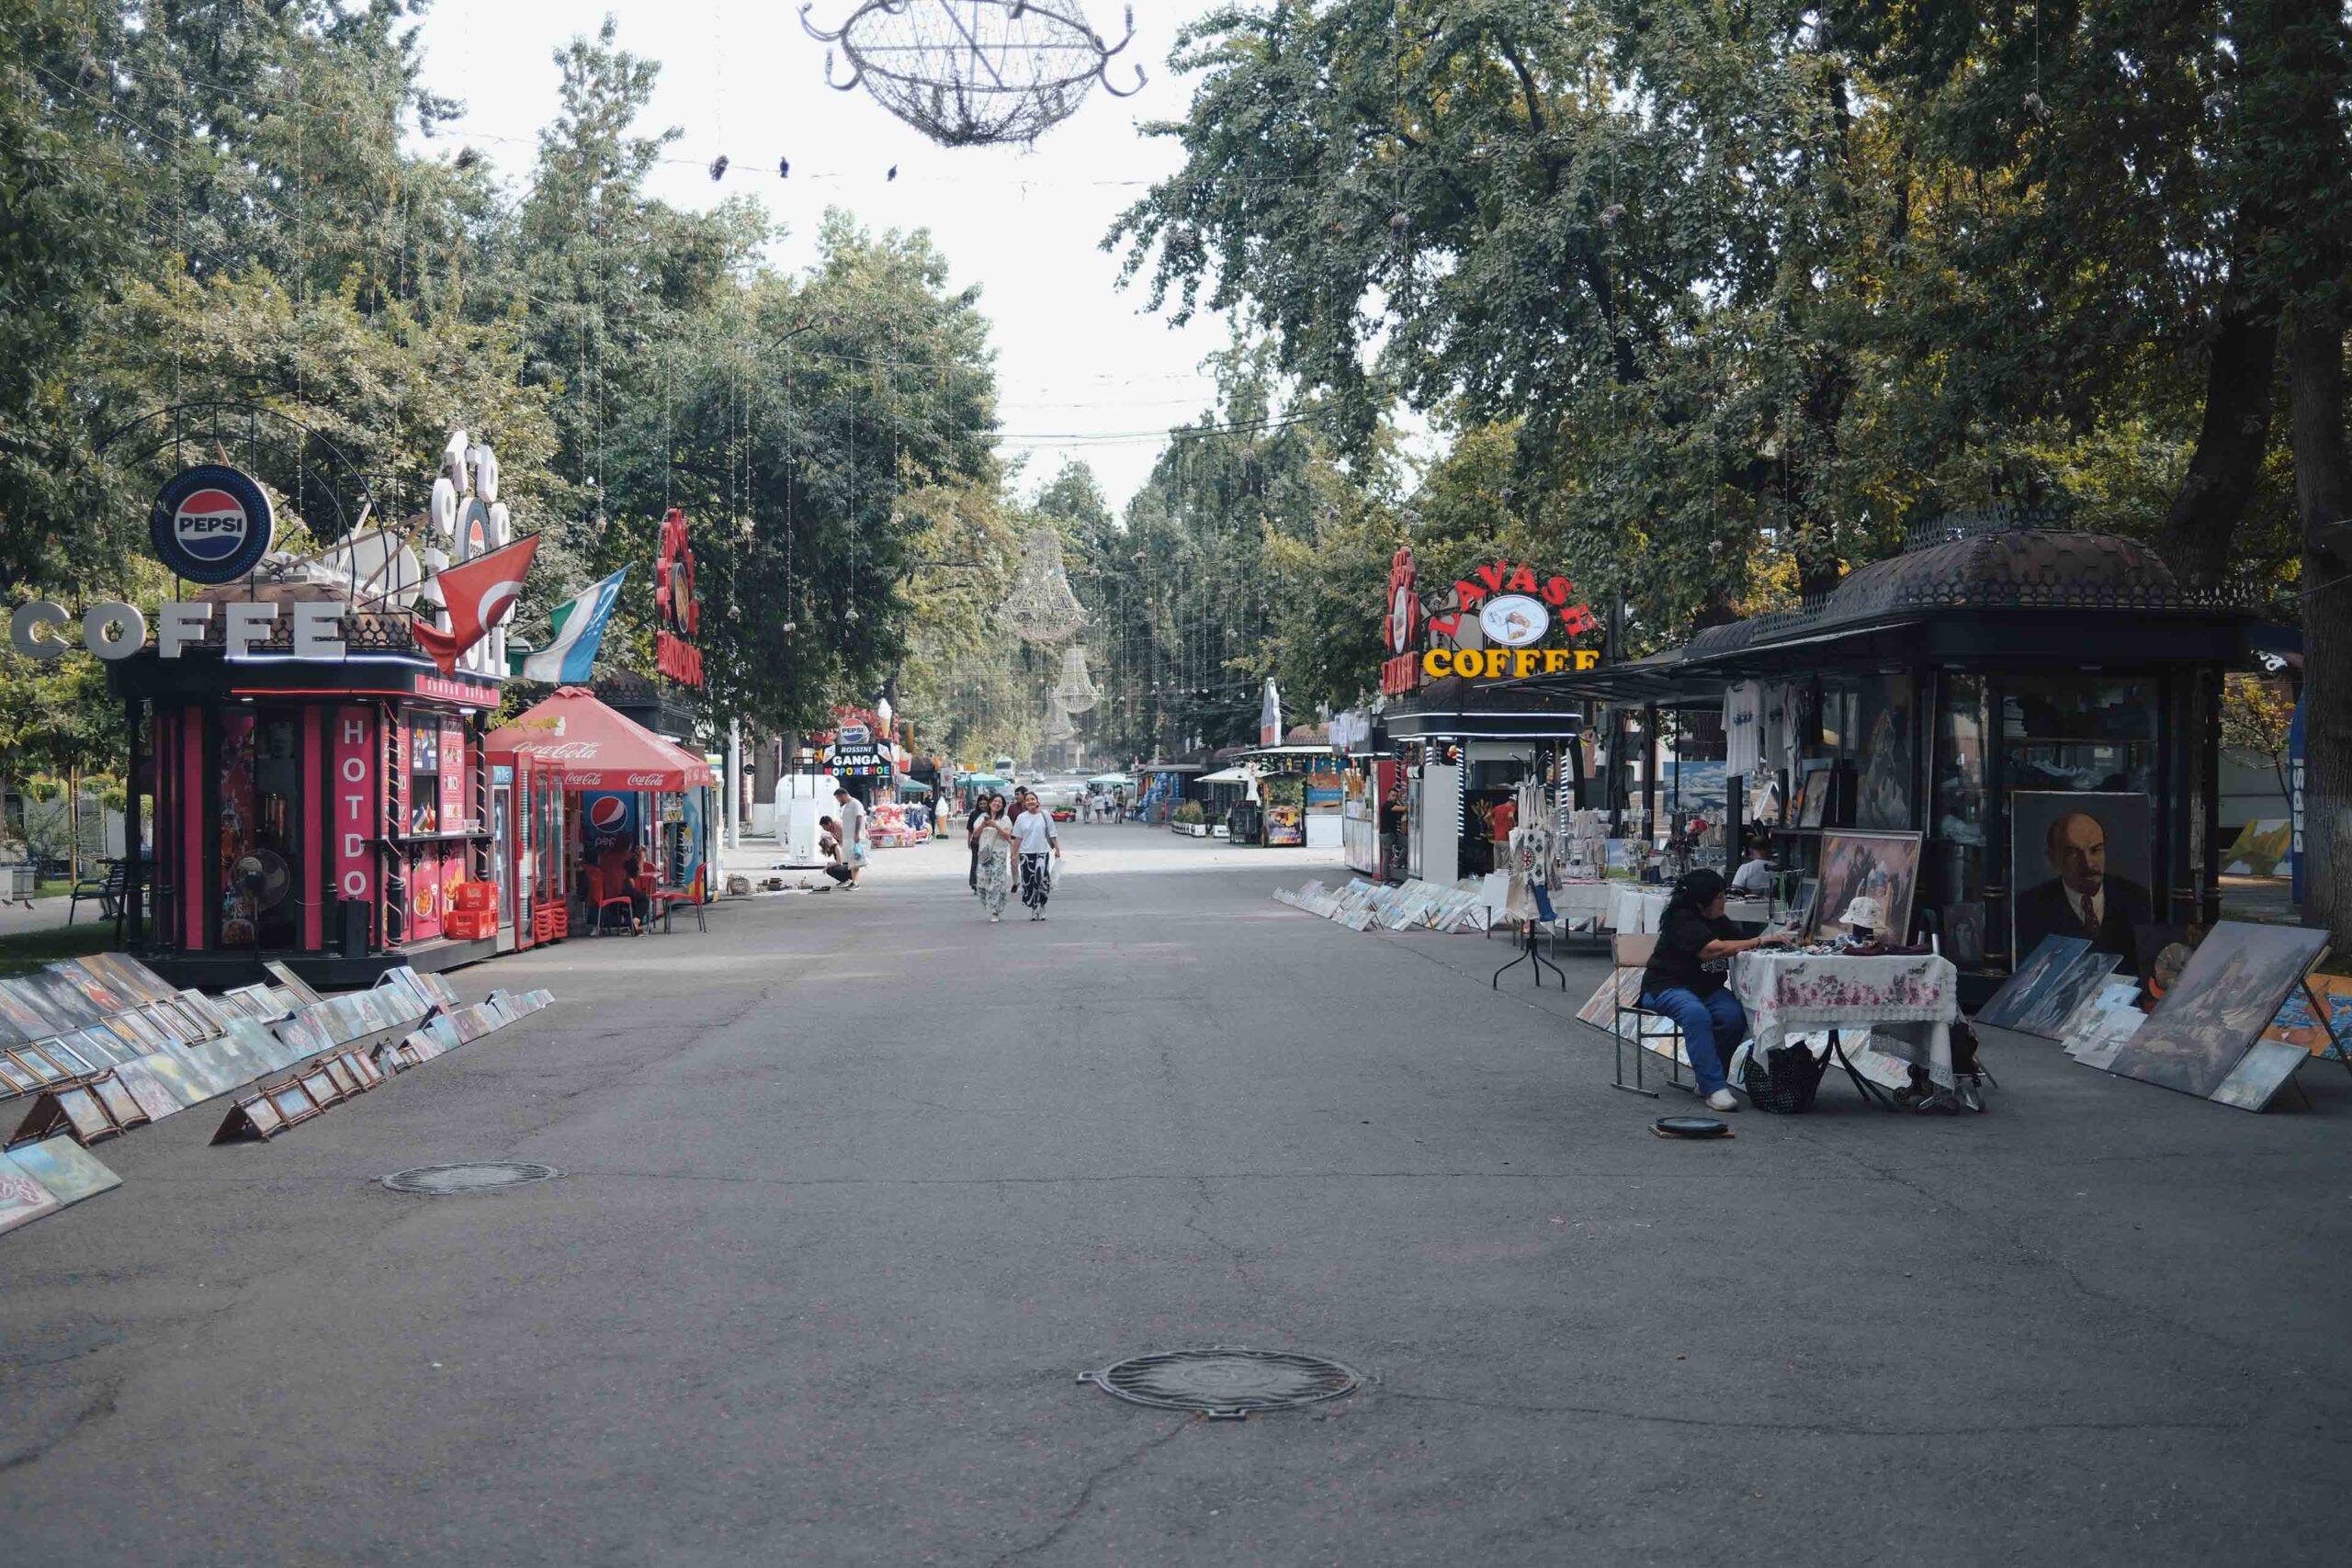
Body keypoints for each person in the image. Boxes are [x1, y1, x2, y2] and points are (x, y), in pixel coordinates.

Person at [1639, 867, 1791, 1111]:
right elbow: (1713, 950)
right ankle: (1714, 1087)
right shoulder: (1682, 918)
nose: (1724, 901)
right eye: (1719, 896)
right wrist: (1760, 940)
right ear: (1702, 899)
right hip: (1666, 985)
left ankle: (1709, 1079)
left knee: (1733, 1016)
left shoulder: (1719, 920)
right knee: (1695, 1014)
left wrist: (1778, 938)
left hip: (1707, 989)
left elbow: (1738, 943)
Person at [2014, 809, 2152, 974]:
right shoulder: (2028, 907)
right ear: (2053, 858)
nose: (2088, 863)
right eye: (2073, 853)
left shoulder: (2137, 899)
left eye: (2096, 850)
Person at [1010, 788, 1062, 919]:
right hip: (1026, 854)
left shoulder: (1045, 815)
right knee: (1029, 882)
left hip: (1042, 853)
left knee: (1042, 880)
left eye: (1032, 799)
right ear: (1024, 803)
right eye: (1027, 800)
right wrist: (1014, 854)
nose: (1030, 801)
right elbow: (1017, 837)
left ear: (1037, 801)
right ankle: (1034, 908)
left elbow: (1052, 833)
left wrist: (1057, 849)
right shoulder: (1021, 818)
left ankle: (1042, 905)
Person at [973, 795, 1016, 921]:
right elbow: (975, 834)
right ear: (990, 803)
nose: (997, 804)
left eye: (1000, 802)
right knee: (981, 882)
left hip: (999, 853)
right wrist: (983, 825)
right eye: (995, 801)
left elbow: (1008, 835)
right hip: (984, 853)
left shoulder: (1005, 819)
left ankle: (995, 911)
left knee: (996, 882)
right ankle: (990, 903)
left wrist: (996, 826)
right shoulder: (982, 817)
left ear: (1002, 805)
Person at [831, 787, 867, 888]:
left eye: (838, 798)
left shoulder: (856, 804)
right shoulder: (846, 806)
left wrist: (857, 834)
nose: (838, 801)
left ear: (842, 795)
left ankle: (855, 882)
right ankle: (851, 880)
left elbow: (859, 818)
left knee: (855, 860)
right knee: (849, 861)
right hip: (847, 838)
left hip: (854, 837)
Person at [816, 818, 853, 886]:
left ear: (829, 824)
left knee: (831, 868)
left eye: (824, 826)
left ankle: (847, 879)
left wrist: (829, 865)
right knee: (832, 867)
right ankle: (845, 880)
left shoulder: (838, 825)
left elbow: (844, 838)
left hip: (850, 847)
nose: (824, 829)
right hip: (845, 853)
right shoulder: (831, 832)